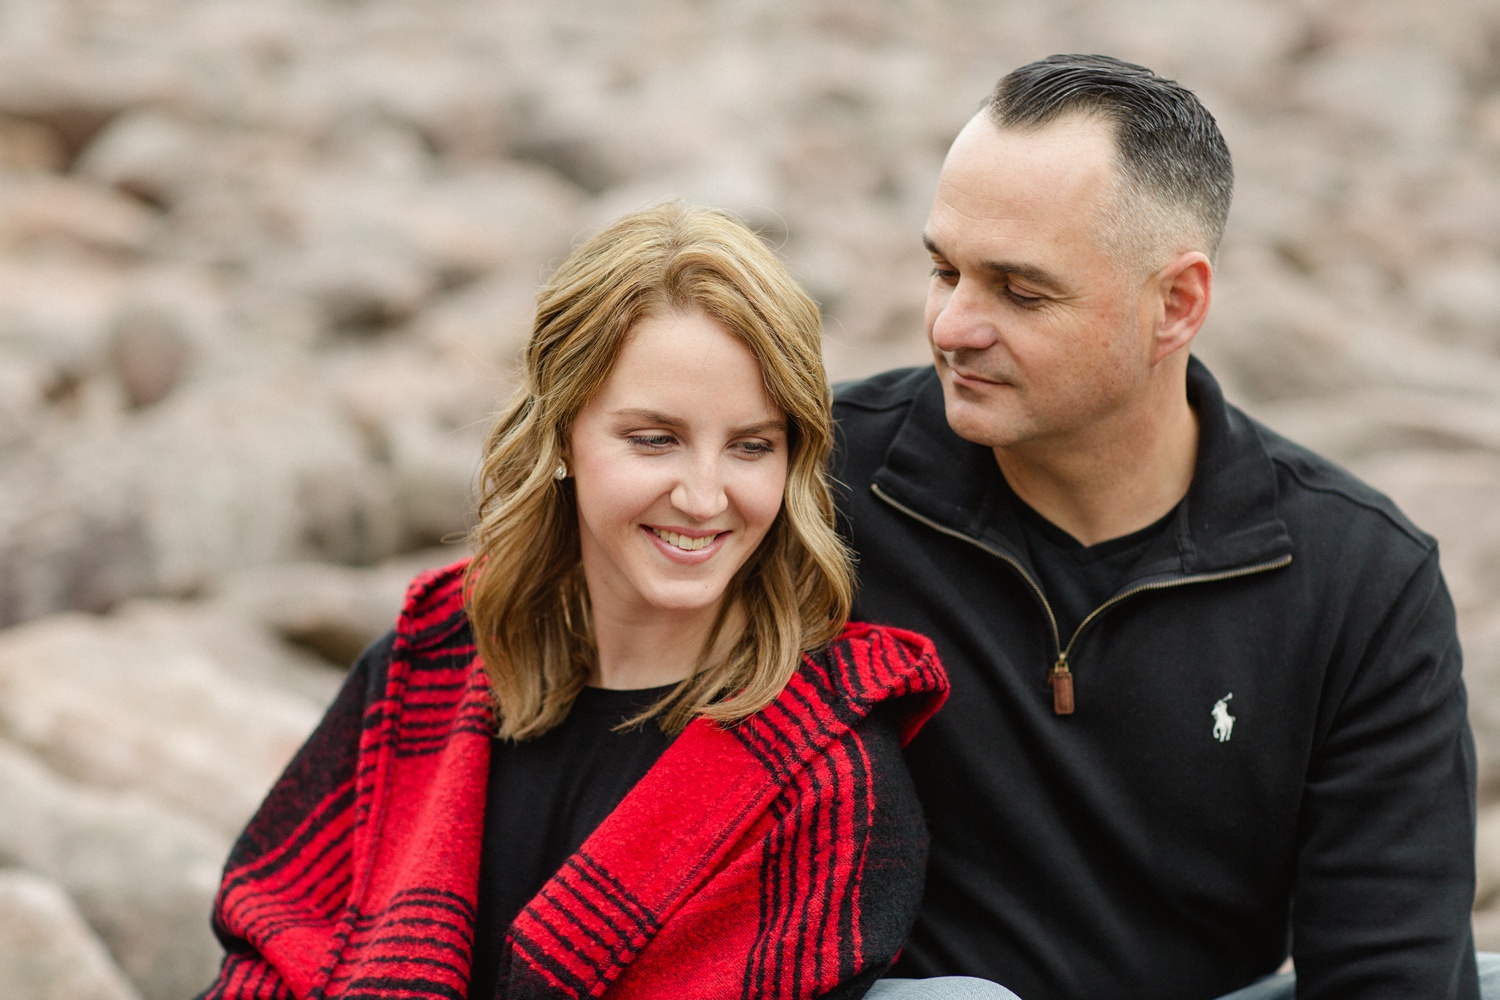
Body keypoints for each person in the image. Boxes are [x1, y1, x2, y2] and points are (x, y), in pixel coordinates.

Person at [836, 55, 1483, 1000]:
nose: (952, 326)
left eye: (1019, 291)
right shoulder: (816, 486)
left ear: (1176, 304)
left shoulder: (1358, 581)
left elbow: (1391, 963)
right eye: (945, 270)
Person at [195, 203, 957, 1000]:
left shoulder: (825, 778)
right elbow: (269, 942)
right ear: (561, 434)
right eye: (653, 439)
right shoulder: (430, 665)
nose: (704, 497)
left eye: (751, 446)